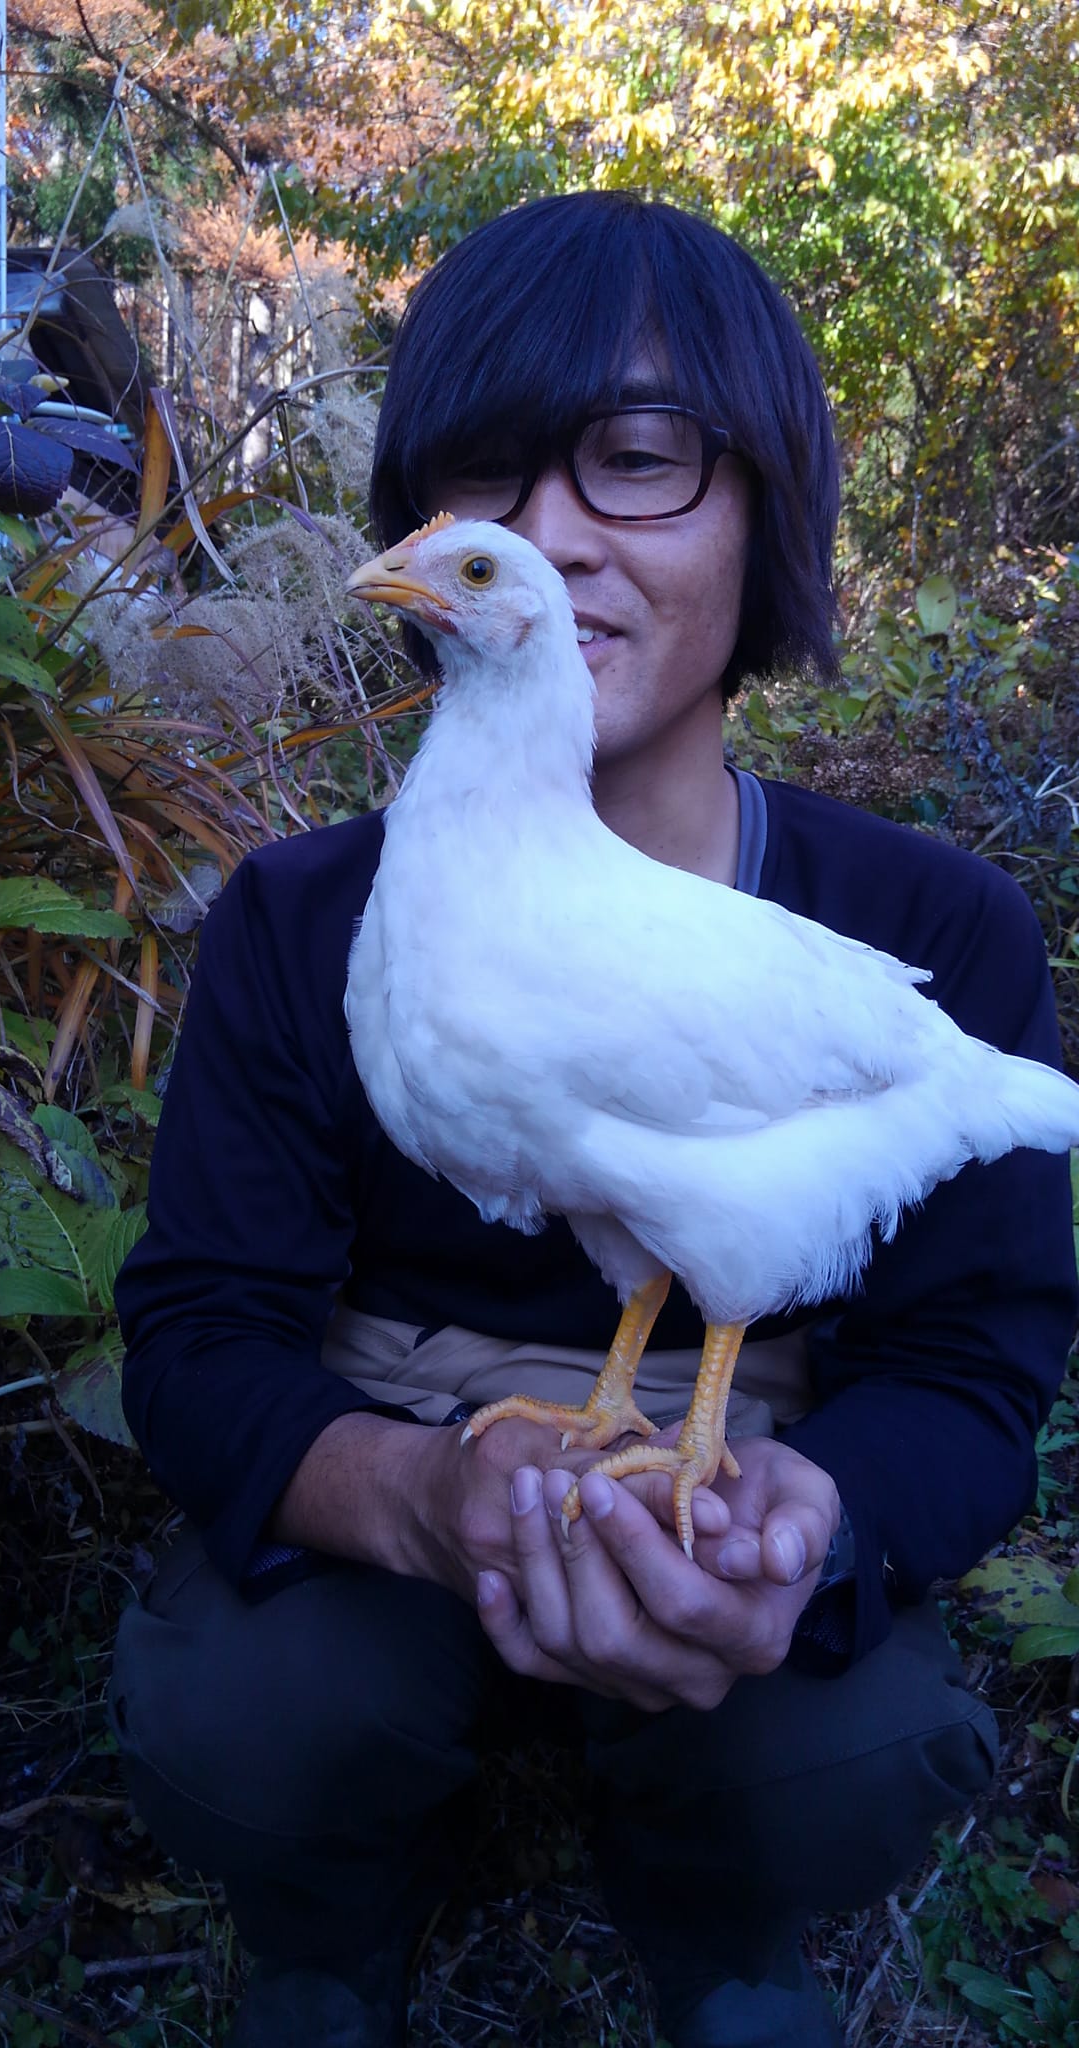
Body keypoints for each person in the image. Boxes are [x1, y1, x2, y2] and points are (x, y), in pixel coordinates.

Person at [110, 192, 1077, 2048]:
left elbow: (973, 1371)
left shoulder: (935, 926)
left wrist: (814, 1522)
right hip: (410, 1493)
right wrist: (421, 1499)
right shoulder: (307, 917)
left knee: (851, 1746)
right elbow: (202, 1335)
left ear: (768, 518)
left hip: (739, 1469)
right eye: (484, 480)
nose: (550, 530)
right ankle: (336, 1920)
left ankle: (716, 1925)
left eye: (636, 459)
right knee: (239, 1716)